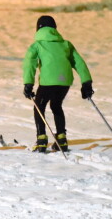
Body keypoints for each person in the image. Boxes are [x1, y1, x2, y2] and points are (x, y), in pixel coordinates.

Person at [22, 15, 94, 152]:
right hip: (64, 82)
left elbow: (29, 65)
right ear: (55, 29)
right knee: (56, 105)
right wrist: (86, 82)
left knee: (39, 106)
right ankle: (61, 139)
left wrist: (28, 84)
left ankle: (41, 139)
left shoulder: (37, 45)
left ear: (38, 29)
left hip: (48, 82)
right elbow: (79, 63)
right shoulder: (66, 44)